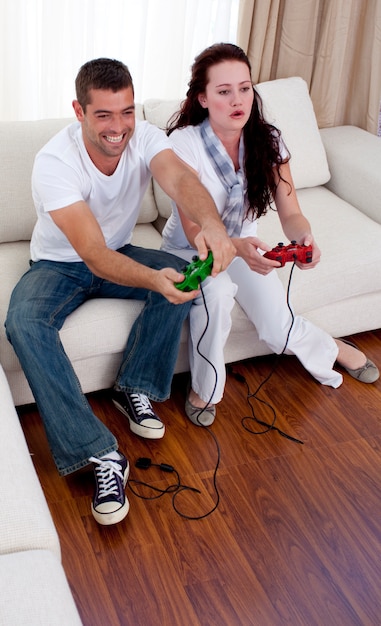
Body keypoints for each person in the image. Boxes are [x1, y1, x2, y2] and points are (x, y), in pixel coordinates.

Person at [5, 58, 235, 526]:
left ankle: (134, 386)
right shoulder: (54, 161)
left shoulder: (145, 136)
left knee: (186, 274)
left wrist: (212, 224)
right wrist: (152, 280)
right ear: (79, 111)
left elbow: (181, 180)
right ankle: (101, 455)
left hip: (118, 251)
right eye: (104, 115)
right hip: (61, 264)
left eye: (126, 112)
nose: (119, 127)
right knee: (22, 323)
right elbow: (90, 253)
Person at [161, 43, 379, 426]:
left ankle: (334, 348)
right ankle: (205, 390)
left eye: (244, 88)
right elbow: (194, 226)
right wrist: (234, 248)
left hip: (246, 242)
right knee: (217, 292)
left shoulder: (268, 140)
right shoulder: (184, 144)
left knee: (278, 329)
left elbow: (291, 212)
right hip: (189, 249)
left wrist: (304, 239)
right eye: (224, 91)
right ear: (203, 97)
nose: (237, 100)